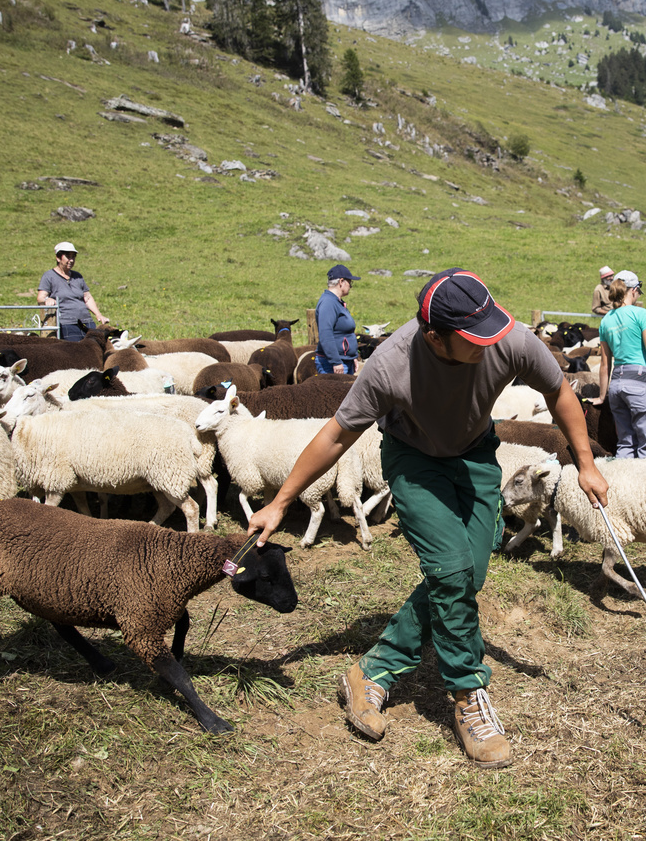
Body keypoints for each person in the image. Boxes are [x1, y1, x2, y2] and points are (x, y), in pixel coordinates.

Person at [247, 268, 607, 769]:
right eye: (475, 337)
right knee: (453, 571)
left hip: (477, 454)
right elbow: (335, 435)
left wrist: (586, 464)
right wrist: (281, 501)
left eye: (493, 328)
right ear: (434, 336)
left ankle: (371, 670)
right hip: (414, 460)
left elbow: (561, 393)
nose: (492, 342)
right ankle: (468, 695)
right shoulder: (391, 366)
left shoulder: (509, 337)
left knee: (466, 573)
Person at [592, 270, 646, 457]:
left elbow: (604, 364)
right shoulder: (641, 314)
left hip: (616, 384)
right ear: (633, 290)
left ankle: (622, 485)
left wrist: (603, 396)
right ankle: (645, 485)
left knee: (625, 442)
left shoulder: (606, 320)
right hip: (640, 382)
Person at [37, 241, 109, 341]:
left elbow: (87, 297)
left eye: (73, 257)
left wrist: (98, 315)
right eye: (68, 257)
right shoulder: (49, 276)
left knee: (95, 350)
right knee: (76, 352)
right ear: (58, 258)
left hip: (86, 322)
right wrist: (47, 299)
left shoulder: (77, 276)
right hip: (67, 323)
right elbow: (40, 297)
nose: (71, 260)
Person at [315, 264, 360, 374]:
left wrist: (352, 357)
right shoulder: (328, 303)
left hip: (344, 361)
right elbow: (326, 333)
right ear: (341, 282)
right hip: (334, 364)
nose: (350, 286)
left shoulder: (336, 302)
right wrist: (335, 361)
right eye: (350, 282)